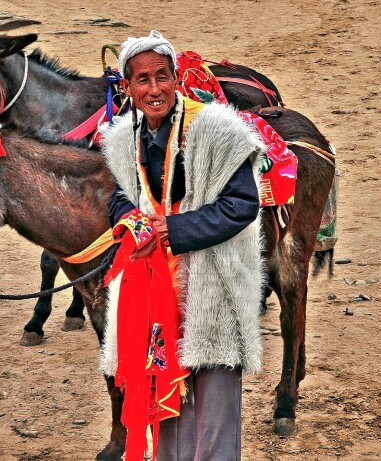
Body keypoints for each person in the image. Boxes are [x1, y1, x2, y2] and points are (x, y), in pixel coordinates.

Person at [100, 30, 265, 461]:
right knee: (167, 408)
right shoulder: (122, 138)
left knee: (214, 416)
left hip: (214, 286)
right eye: (142, 80)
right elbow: (117, 196)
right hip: (154, 292)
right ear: (128, 87)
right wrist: (131, 220)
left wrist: (171, 229)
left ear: (176, 78)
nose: (154, 89)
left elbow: (242, 205)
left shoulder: (216, 129)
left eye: (161, 76)